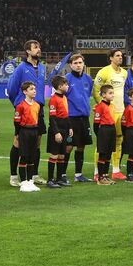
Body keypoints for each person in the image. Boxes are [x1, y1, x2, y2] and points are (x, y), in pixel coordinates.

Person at [9, 40, 48, 187]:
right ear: (27, 51)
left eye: (39, 47)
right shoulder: (20, 68)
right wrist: (19, 104)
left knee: (36, 143)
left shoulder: (43, 67)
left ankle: (34, 174)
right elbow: (12, 88)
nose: (39, 49)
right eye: (35, 47)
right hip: (25, 109)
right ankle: (13, 176)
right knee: (18, 142)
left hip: (39, 109)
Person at [94, 48, 129, 180]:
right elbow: (96, 90)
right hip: (107, 113)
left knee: (119, 140)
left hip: (120, 110)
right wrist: (101, 106)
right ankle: (97, 172)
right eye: (118, 55)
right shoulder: (104, 72)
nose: (121, 57)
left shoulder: (125, 73)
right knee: (102, 144)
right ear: (111, 58)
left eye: (121, 55)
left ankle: (115, 170)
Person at [60, 53, 94, 184]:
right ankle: (62, 174)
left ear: (83, 64)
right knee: (68, 147)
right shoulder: (66, 80)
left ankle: (78, 174)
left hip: (84, 118)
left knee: (81, 146)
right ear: (70, 65)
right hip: (71, 119)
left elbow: (87, 94)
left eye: (80, 63)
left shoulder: (88, 79)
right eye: (75, 63)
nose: (78, 65)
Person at [46, 75, 72, 189]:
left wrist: (70, 127)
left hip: (65, 128)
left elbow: (66, 114)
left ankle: (60, 178)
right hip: (56, 129)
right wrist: (56, 132)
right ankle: (50, 180)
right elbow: (52, 118)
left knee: (62, 155)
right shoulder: (53, 99)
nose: (68, 86)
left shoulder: (64, 97)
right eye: (66, 84)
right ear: (60, 86)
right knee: (54, 154)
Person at [92, 83, 117, 185]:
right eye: (110, 93)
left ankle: (106, 176)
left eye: (113, 93)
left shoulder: (112, 105)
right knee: (103, 154)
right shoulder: (100, 106)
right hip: (104, 130)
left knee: (108, 154)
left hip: (112, 129)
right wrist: (100, 135)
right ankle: (100, 177)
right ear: (103, 95)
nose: (112, 95)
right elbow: (96, 123)